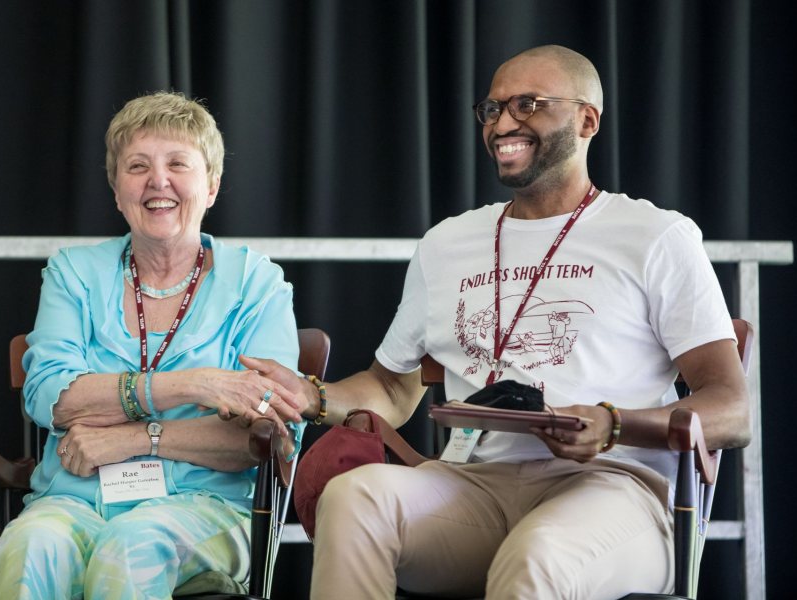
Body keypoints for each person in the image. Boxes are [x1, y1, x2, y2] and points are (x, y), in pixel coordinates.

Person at [244, 45, 750, 598]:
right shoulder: (447, 243)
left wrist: (613, 422)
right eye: (492, 109)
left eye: (528, 104)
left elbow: (732, 409)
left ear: (587, 120)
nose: (503, 123)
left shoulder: (656, 235)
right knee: (355, 498)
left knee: (539, 554)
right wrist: (312, 395)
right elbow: (391, 387)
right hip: (473, 486)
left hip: (613, 487)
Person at [0, 91, 304, 599]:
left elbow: (265, 434)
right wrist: (194, 385)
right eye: (137, 166)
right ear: (116, 190)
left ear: (212, 185)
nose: (158, 181)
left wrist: (129, 438)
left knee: (131, 545)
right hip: (75, 498)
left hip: (205, 508)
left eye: (178, 163)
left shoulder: (256, 285)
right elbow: (50, 397)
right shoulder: (74, 272)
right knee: (32, 547)